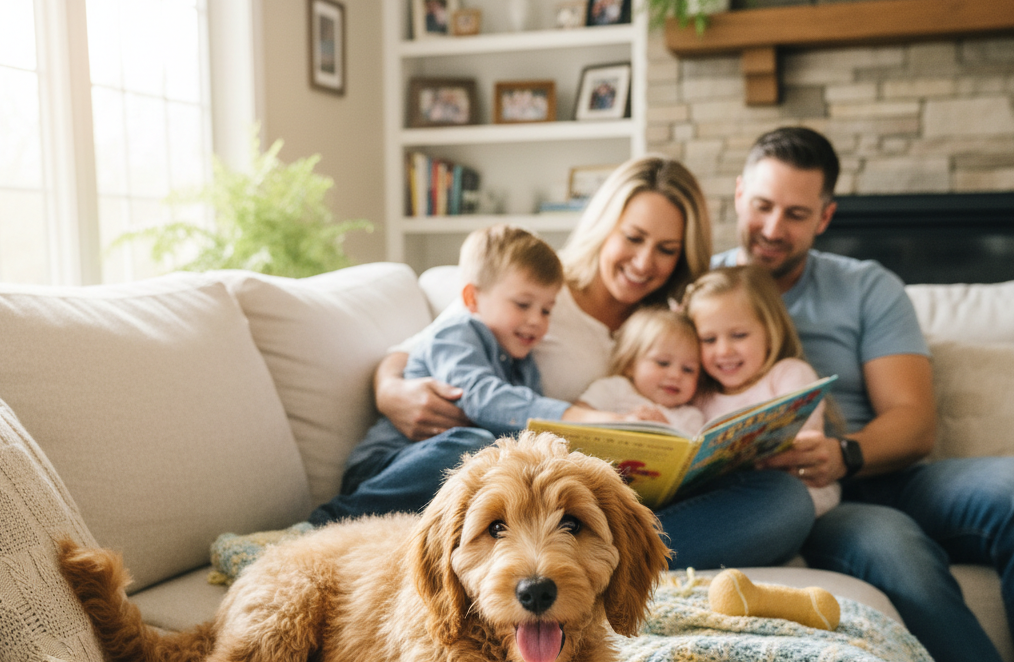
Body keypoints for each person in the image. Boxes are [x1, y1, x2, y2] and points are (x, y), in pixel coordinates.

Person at [714, 125, 1014, 662]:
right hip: (811, 504)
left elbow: (913, 424)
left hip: (878, 469)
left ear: (825, 217)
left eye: (795, 214)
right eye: (761, 206)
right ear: (738, 194)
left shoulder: (864, 287)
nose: (771, 228)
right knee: (899, 555)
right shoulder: (706, 291)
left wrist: (845, 454)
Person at [373, 155, 817, 570]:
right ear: (606, 226)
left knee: (785, 501)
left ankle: (606, 562)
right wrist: (390, 388)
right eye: (633, 237)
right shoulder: (540, 293)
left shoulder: (674, 321)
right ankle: (602, 561)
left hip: (619, 495)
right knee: (469, 458)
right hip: (535, 488)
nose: (644, 262)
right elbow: (426, 346)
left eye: (666, 249)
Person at [309, 225, 625, 525]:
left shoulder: (524, 364)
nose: (536, 321)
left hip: (445, 480)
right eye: (523, 304)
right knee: (476, 446)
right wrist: (580, 418)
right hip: (387, 468)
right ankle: (331, 519)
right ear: (472, 298)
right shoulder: (454, 336)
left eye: (546, 310)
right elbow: (482, 397)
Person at [683, 265, 839, 517]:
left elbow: (802, 433)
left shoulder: (788, 374)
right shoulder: (698, 394)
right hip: (728, 502)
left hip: (795, 495)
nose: (723, 351)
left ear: (770, 331)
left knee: (781, 498)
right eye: (709, 340)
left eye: (739, 335)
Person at [577, 307, 705, 433]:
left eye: (688, 369)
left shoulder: (691, 417)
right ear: (630, 364)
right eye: (663, 363)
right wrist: (622, 421)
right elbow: (576, 415)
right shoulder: (614, 389)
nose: (676, 375)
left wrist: (665, 431)